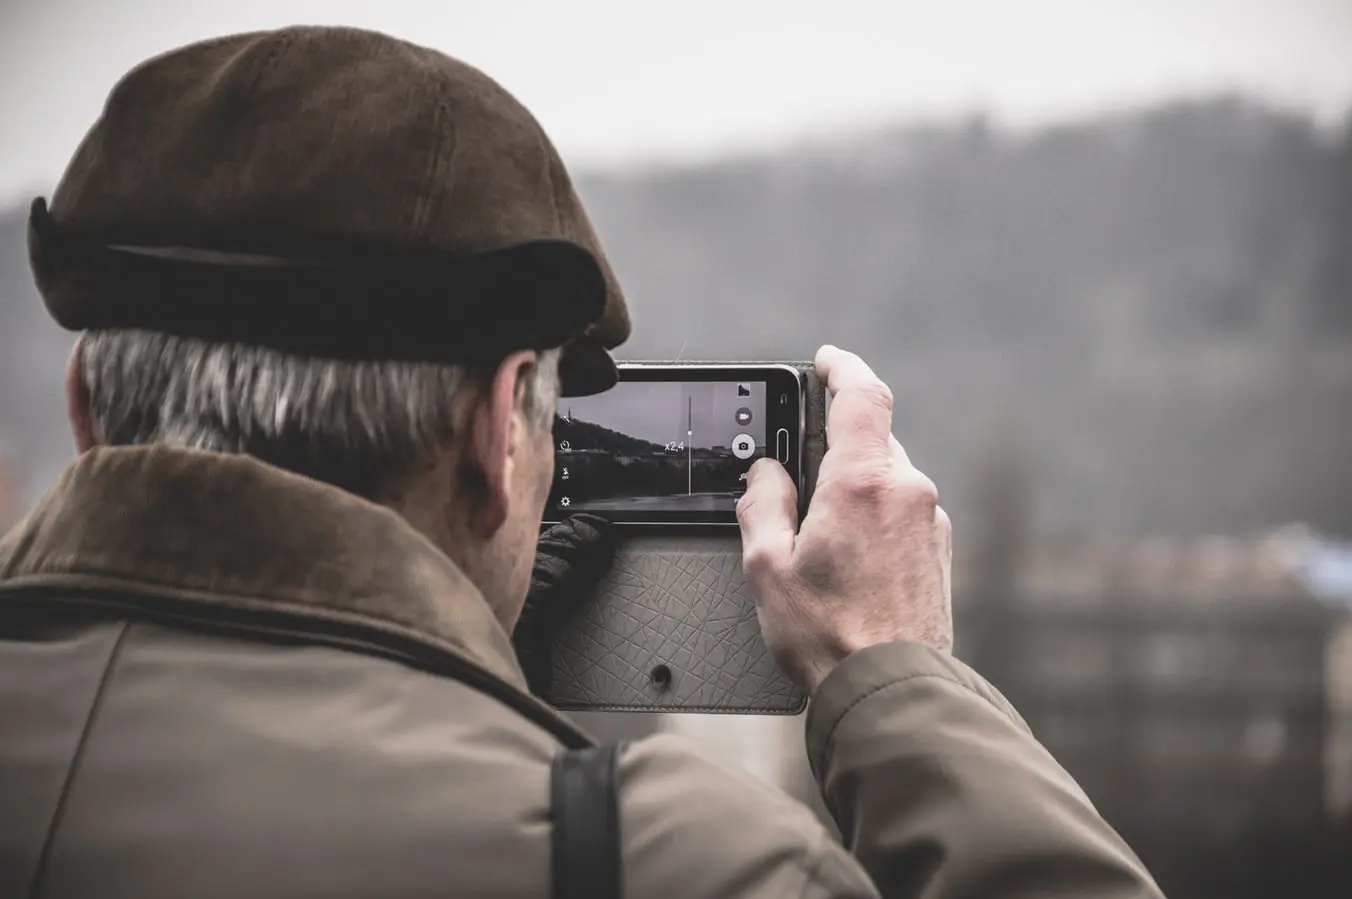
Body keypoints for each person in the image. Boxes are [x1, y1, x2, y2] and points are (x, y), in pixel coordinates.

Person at [0, 25, 1164, 899]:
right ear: (495, 431)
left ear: (86, 405)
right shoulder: (671, 860)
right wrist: (897, 675)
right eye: (551, 421)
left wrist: (438, 649)